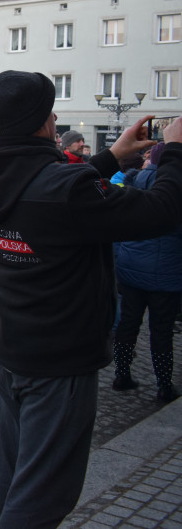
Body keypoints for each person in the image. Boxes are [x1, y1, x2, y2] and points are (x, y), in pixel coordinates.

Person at [0, 70, 182, 528]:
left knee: (15, 475)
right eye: (50, 113)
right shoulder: (64, 190)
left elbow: (49, 190)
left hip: (12, 347)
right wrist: (176, 151)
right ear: (39, 123)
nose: (55, 119)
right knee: (44, 495)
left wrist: (110, 157)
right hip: (59, 358)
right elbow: (163, 210)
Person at [112, 142, 182, 403]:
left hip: (130, 267)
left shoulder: (134, 181)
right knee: (161, 330)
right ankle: (164, 384)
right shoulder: (175, 187)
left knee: (128, 324)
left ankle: (121, 374)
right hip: (167, 273)